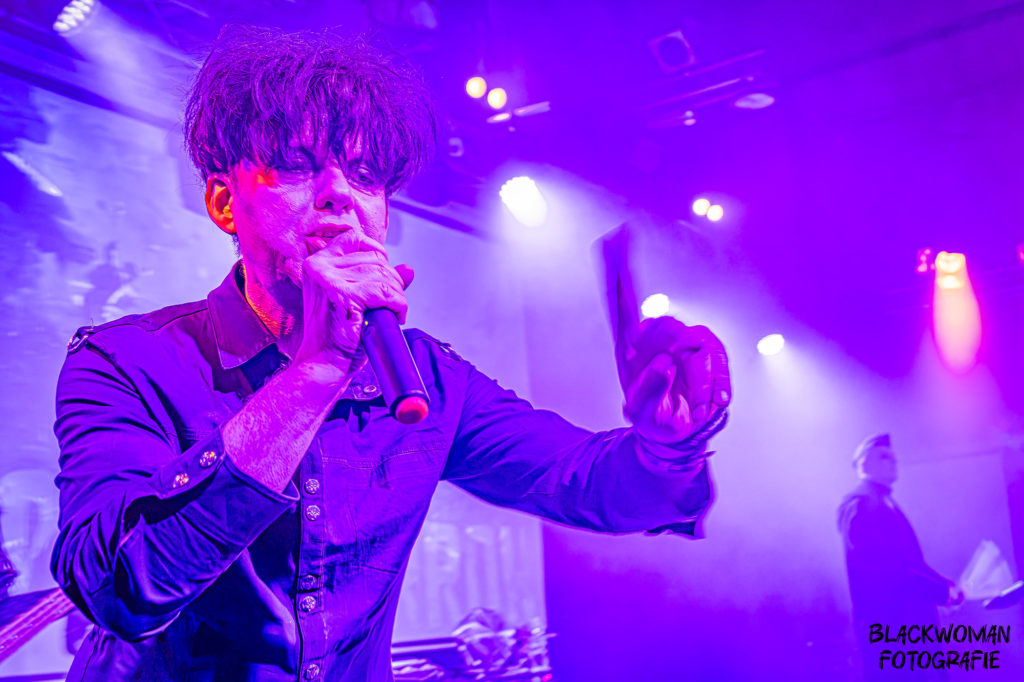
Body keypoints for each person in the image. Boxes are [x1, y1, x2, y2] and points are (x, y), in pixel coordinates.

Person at [50, 25, 732, 681]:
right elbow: (120, 590)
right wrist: (315, 372)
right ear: (225, 203)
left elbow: (589, 482)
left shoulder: (428, 379)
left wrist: (671, 441)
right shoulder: (125, 363)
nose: (339, 195)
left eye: (365, 174)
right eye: (296, 166)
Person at [837, 434, 963, 680]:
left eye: (894, 457)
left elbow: (911, 564)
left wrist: (944, 586)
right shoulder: (861, 505)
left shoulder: (883, 503)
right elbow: (885, 570)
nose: (893, 461)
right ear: (863, 464)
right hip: (892, 632)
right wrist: (940, 591)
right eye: (884, 456)